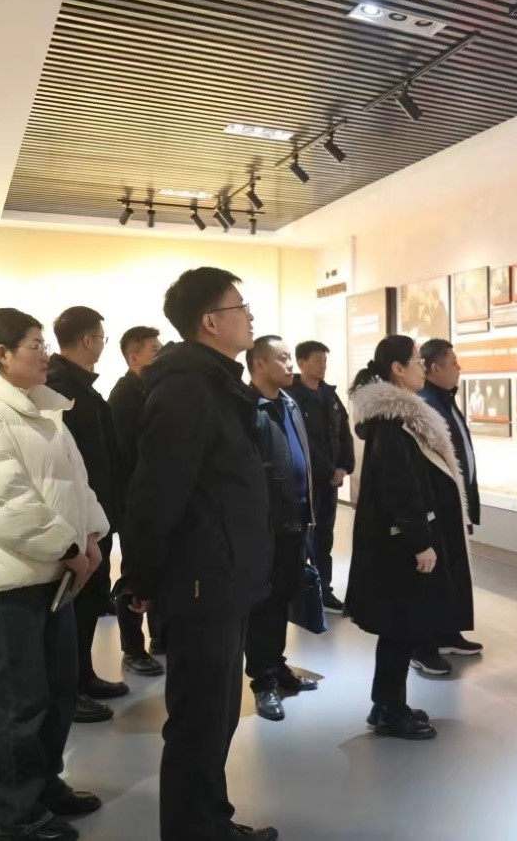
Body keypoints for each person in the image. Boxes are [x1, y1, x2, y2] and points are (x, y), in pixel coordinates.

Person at [0, 308, 110, 841]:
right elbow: (5, 504)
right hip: (8, 585)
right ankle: (18, 817)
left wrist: (92, 534)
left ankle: (43, 786)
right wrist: (70, 548)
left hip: (51, 576)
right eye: (35, 345)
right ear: (2, 354)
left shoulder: (42, 409)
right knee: (18, 705)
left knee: (58, 693)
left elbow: (76, 482)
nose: (46, 353)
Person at [121, 268, 276, 841]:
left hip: (224, 578)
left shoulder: (214, 383)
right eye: (241, 306)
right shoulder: (187, 390)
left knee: (217, 717)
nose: (250, 316)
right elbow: (155, 493)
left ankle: (212, 822)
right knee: (197, 723)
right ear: (211, 321)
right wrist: (140, 576)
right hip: (201, 582)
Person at [347, 335, 473, 740]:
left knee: (400, 628)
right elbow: (400, 488)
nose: (422, 368)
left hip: (399, 540)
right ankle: (390, 711)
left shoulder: (397, 419)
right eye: (416, 361)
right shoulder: (393, 424)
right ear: (397, 370)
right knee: (401, 628)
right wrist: (420, 541)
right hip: (400, 544)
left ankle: (386, 704)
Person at [46, 306, 128, 724]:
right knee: (75, 607)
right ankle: (70, 689)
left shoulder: (82, 388)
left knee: (93, 600)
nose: (102, 345)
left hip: (97, 518)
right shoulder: (60, 391)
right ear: (87, 340)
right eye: (101, 338)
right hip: (79, 522)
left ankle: (84, 675)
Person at [246, 336, 319, 721]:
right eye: (283, 358)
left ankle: (277, 666)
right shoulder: (248, 408)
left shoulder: (288, 403)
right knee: (263, 603)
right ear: (259, 363)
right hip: (265, 526)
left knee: (284, 597)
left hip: (295, 520)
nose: (290, 365)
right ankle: (263, 681)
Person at [415, 339, 483, 676]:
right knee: (436, 576)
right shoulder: (426, 405)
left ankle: (448, 633)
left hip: (453, 503)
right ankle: (425, 644)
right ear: (434, 368)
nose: (459, 368)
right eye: (453, 362)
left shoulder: (445, 399)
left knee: (453, 570)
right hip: (438, 506)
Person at [108, 326, 166, 677]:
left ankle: (160, 636)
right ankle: (133, 648)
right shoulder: (125, 397)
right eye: (154, 351)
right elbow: (128, 456)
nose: (161, 355)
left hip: (155, 499)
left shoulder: (152, 390)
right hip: (136, 502)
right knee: (135, 574)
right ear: (134, 357)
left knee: (158, 568)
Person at [287, 340, 354, 615]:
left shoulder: (330, 396)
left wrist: (344, 467)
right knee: (303, 537)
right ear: (301, 363)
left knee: (325, 537)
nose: (322, 365)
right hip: (305, 481)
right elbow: (302, 441)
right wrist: (329, 471)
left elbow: (344, 433)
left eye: (324, 360)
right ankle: (302, 593)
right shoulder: (291, 397)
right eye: (317, 360)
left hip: (330, 482)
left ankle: (324, 590)